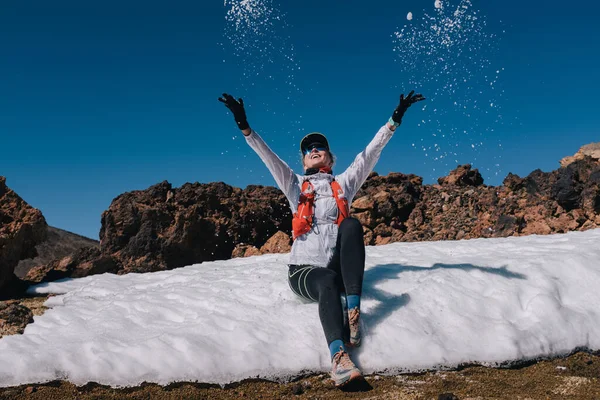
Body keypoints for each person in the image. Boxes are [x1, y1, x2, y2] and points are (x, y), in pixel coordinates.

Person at [218, 91, 425, 387]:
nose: (314, 149)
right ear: (303, 159)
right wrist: (245, 127)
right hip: (305, 272)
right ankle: (338, 357)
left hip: (335, 267)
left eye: (320, 147)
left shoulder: (343, 184)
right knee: (327, 281)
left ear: (329, 156)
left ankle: (353, 311)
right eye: (308, 148)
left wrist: (394, 120)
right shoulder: (295, 185)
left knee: (351, 225)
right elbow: (268, 158)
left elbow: (370, 154)